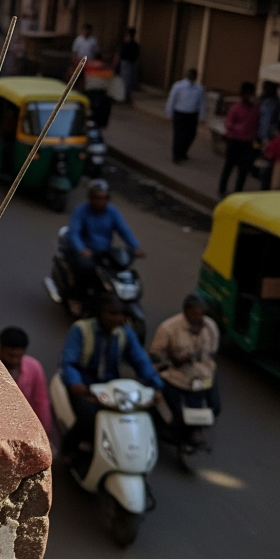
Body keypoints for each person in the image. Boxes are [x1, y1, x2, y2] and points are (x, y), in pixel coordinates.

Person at [59, 296, 164, 461]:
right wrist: (75, 383)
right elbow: (69, 362)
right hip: (85, 385)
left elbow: (140, 360)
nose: (118, 318)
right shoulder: (81, 330)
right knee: (89, 416)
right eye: (112, 313)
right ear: (100, 313)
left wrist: (155, 386)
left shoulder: (125, 333)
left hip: (111, 385)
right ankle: (68, 449)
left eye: (121, 314)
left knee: (138, 413)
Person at [149, 294, 220, 444]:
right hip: (175, 377)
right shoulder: (168, 328)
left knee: (214, 408)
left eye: (201, 314)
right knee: (174, 412)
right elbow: (155, 355)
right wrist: (174, 360)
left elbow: (212, 352)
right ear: (186, 312)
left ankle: (195, 430)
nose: (199, 318)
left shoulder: (210, 327)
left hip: (202, 378)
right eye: (195, 314)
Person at [66, 179, 144, 314]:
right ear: (90, 198)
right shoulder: (81, 211)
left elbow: (123, 229)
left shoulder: (112, 212)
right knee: (86, 269)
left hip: (104, 251)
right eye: (97, 198)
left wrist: (135, 247)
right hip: (83, 251)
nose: (101, 202)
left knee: (119, 268)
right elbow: (74, 233)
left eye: (104, 198)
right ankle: (75, 298)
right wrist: (81, 249)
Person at [0, 326, 54, 438]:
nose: (14, 360)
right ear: (1, 349)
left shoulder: (34, 367)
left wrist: (44, 431)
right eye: (10, 355)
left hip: (23, 423)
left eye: (18, 356)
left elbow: (41, 400)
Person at [218, 81, 260, 197]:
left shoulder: (255, 110)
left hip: (248, 143)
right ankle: (222, 188)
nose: (248, 96)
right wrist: (239, 129)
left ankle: (238, 191)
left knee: (243, 169)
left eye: (250, 94)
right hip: (235, 141)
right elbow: (229, 124)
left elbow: (257, 125)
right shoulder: (235, 108)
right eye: (245, 94)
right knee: (229, 166)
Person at [165, 68, 206, 164]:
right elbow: (172, 99)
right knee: (179, 135)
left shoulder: (199, 88)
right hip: (180, 113)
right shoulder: (179, 86)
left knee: (190, 135)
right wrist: (169, 113)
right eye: (191, 75)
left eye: (194, 75)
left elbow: (202, 103)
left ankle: (183, 152)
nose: (192, 77)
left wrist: (202, 116)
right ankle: (176, 155)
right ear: (187, 75)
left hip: (192, 115)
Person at [114, 28, 141, 105]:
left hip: (127, 64)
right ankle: (126, 97)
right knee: (127, 82)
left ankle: (124, 98)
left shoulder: (127, 45)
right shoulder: (134, 45)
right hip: (129, 64)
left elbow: (119, 55)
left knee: (125, 82)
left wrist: (115, 65)